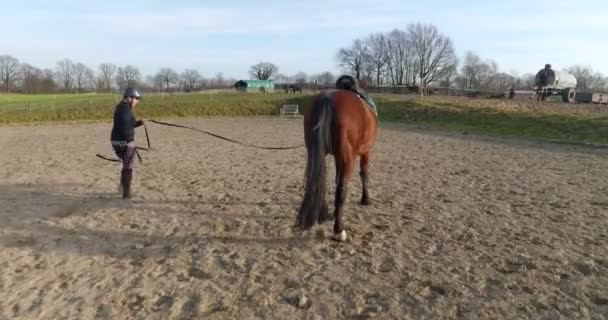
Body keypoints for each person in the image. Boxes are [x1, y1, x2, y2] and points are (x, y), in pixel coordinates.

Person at [111, 87, 144, 199]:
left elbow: (128, 124)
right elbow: (126, 127)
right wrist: (130, 141)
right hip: (124, 141)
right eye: (136, 98)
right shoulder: (126, 110)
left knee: (126, 164)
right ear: (129, 97)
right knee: (128, 166)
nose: (137, 101)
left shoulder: (120, 107)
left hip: (115, 141)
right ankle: (126, 194)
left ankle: (121, 189)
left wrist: (139, 123)